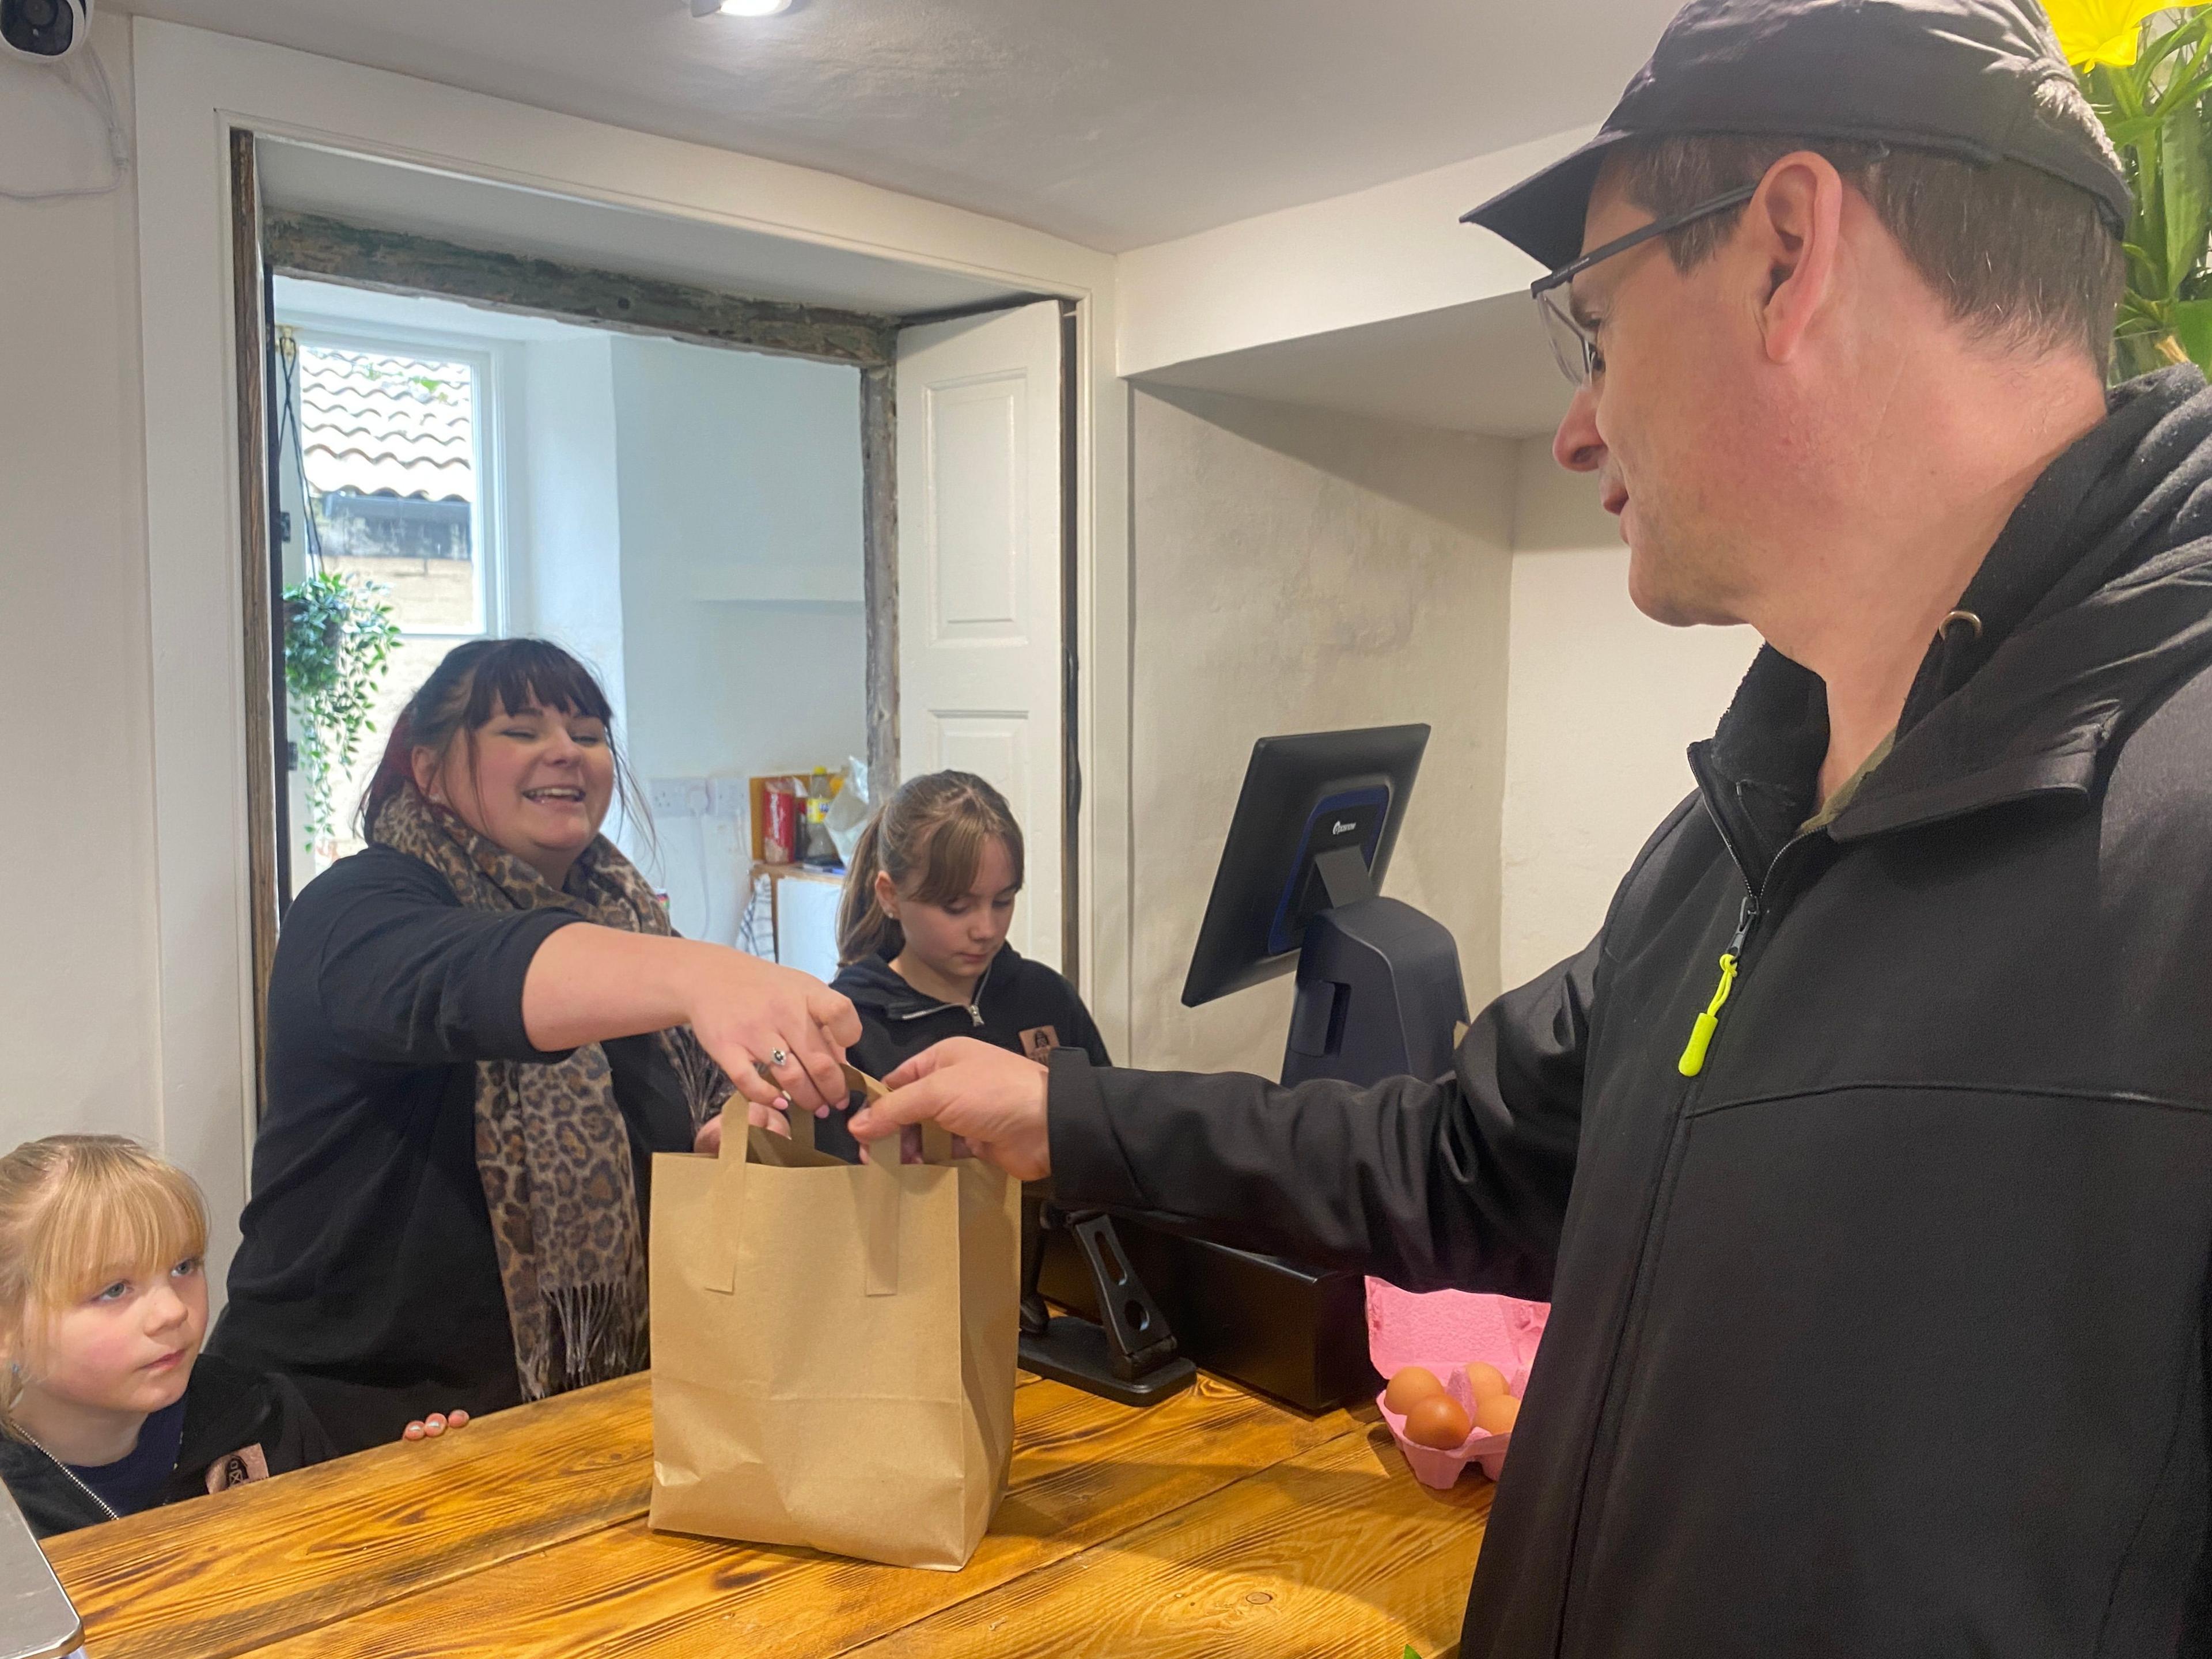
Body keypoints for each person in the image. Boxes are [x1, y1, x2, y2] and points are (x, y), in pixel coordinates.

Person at [851, 1, 2212, 1653]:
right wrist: (1069, 1113)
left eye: (1593, 325)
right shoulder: (1738, 828)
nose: (1576, 424)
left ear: (1791, 250)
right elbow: (1459, 1157)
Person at [211, 638, 859, 1452]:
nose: (566, 750)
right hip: (340, 1434)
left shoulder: (627, 925)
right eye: (520, 730)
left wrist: (716, 1141)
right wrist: (707, 976)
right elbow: (482, 977)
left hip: (565, 1431)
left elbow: (665, 1134)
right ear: (426, 766)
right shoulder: (357, 910)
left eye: (588, 733)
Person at [0, 1135, 457, 1539]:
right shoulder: (14, 1507)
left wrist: (412, 1501)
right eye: (114, 1290)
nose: (172, 1311)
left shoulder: (261, 1413)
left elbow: (335, 1565)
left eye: (184, 1267)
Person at [814, 770, 1108, 1162]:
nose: (987, 930)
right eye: (956, 907)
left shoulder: (1050, 997)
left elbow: (1107, 1137)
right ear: (890, 896)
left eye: (1003, 901)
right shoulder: (848, 1028)